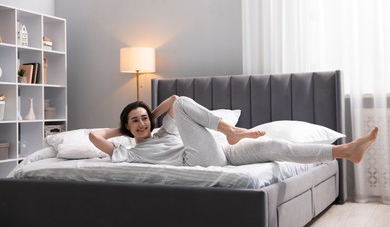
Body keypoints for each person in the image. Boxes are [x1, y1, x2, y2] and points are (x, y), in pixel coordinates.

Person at [89, 95, 378, 167]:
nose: (141, 124)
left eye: (143, 119)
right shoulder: (127, 150)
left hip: (220, 153)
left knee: (277, 147)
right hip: (196, 160)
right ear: (127, 127)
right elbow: (94, 137)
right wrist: (125, 131)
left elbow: (173, 103)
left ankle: (345, 151)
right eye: (135, 121)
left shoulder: (165, 131)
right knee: (185, 101)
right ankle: (231, 130)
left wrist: (150, 116)